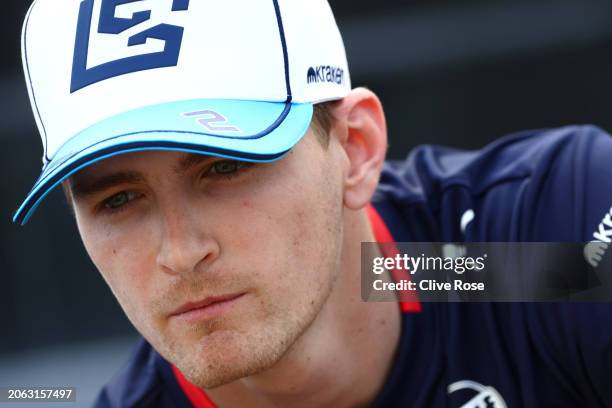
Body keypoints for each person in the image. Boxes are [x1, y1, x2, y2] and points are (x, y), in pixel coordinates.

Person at [14, 0, 612, 407]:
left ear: (356, 149)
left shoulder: (529, 249)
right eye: (118, 200)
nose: (181, 251)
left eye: (224, 166)